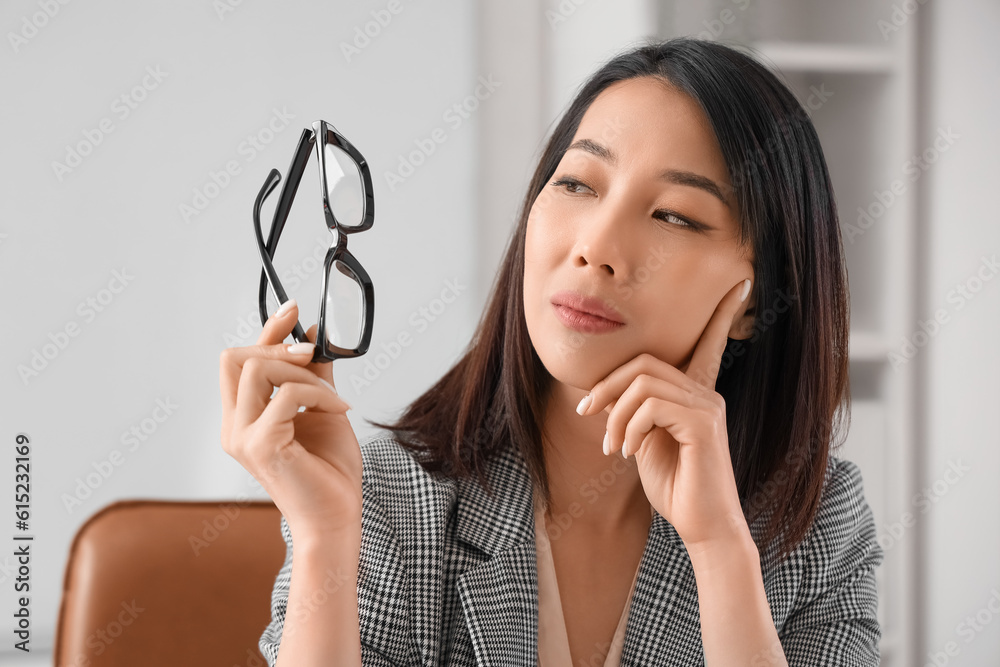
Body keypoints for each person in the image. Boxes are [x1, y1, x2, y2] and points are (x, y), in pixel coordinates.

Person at [220, 37, 883, 667]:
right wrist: (323, 538)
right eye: (577, 185)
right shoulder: (393, 496)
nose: (594, 245)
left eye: (674, 215)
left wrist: (718, 551)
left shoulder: (818, 526)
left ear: (754, 300)